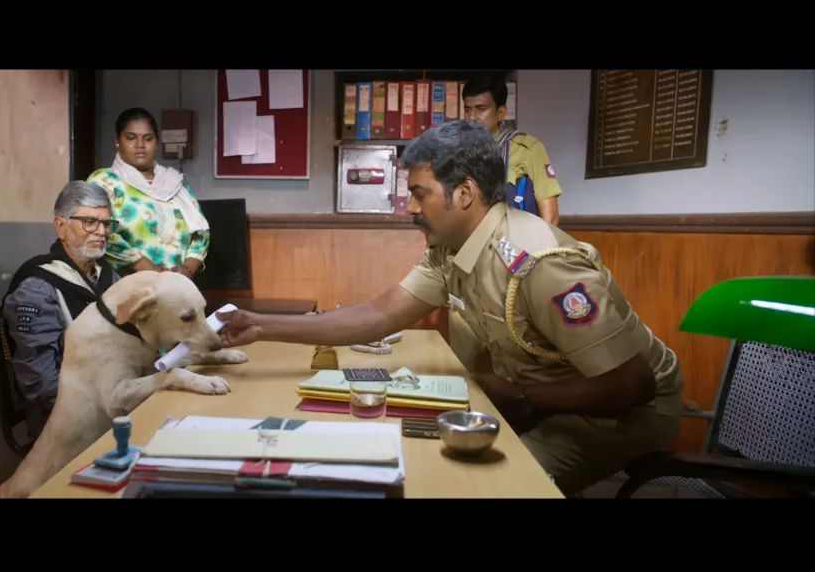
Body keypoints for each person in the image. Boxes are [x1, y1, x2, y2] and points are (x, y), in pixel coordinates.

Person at [215, 120, 684, 496]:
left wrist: (521, 397)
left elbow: (632, 384)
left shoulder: (541, 262)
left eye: (419, 193)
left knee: (481, 489)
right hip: (546, 397)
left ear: (464, 193)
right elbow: (377, 315)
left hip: (621, 410)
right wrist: (261, 325)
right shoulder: (450, 249)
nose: (408, 208)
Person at [1, 180, 122, 438]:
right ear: (61, 227)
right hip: (63, 414)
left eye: (106, 223)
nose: (101, 232)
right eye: (89, 222)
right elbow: (41, 383)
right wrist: (107, 404)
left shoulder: (109, 277)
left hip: (112, 393)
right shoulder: (37, 290)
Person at [87, 107, 210, 278]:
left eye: (148, 138)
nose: (140, 145)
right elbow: (97, 232)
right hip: (124, 285)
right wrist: (145, 267)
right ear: (117, 141)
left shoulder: (176, 183)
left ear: (157, 143)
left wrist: (187, 270)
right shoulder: (104, 181)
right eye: (131, 138)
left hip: (177, 286)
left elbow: (201, 234)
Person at [462, 71, 561, 226]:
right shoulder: (457, 152)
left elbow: (551, 217)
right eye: (468, 109)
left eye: (481, 109)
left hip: (516, 238)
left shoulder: (528, 149)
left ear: (501, 112)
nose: (472, 117)